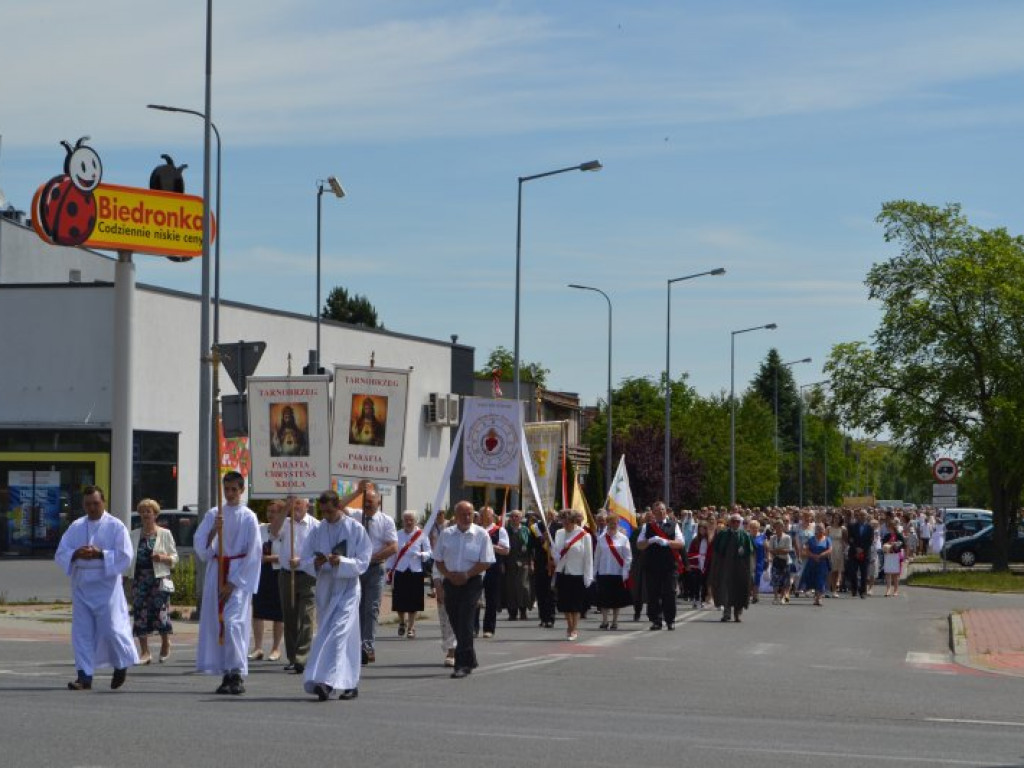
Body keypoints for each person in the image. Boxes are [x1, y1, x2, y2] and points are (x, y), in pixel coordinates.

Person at [55, 485, 138, 691]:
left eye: (96, 503)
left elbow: (126, 556)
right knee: (81, 632)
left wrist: (101, 554)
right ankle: (84, 676)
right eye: (88, 504)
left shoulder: (116, 526)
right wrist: (76, 554)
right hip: (82, 583)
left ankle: (121, 664)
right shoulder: (76, 526)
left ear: (104, 502)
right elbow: (61, 552)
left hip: (106, 584)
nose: (92, 508)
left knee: (112, 629)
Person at [194, 471, 261, 695]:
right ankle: (226, 673)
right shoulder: (214, 514)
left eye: (234, 489)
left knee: (233, 624)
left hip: (238, 574)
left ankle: (238, 672)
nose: (230, 493)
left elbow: (254, 553)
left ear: (242, 490)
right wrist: (215, 529)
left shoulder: (249, 516)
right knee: (218, 624)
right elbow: (201, 549)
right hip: (217, 570)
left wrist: (234, 583)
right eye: (227, 489)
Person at [302, 490, 372, 701]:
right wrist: (315, 563)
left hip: (348, 588)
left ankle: (326, 682)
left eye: (330, 511)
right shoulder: (317, 530)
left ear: (338, 507)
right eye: (322, 512)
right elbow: (305, 557)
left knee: (339, 633)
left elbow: (363, 561)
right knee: (337, 635)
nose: (326, 516)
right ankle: (349, 682)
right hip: (326, 588)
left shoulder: (354, 528)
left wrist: (342, 562)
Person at [434, 500, 496, 678]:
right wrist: (448, 574)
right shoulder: (446, 534)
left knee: (466, 621)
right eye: (463, 514)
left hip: (472, 582)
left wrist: (467, 575)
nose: (467, 517)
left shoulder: (481, 535)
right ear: (456, 516)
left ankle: (462, 665)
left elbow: (486, 561)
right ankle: (470, 658)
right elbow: (438, 559)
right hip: (450, 580)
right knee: (454, 620)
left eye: (470, 514)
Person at [342, 481, 397, 665]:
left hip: (375, 568)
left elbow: (393, 547)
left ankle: (368, 646)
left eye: (371, 502)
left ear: (378, 503)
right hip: (357, 569)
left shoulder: (386, 520)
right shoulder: (356, 516)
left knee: (371, 607)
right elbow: (338, 506)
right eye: (365, 502)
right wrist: (357, 491)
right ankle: (356, 644)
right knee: (357, 607)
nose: (367, 505)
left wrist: (371, 557)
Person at [126, 498, 178, 664]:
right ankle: (145, 652)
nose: (145, 514)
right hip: (139, 579)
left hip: (159, 578)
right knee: (140, 613)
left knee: (160, 613)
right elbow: (127, 557)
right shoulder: (133, 534)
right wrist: (123, 577)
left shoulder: (165, 534)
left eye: (149, 511)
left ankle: (165, 643)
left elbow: (175, 558)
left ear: (155, 514)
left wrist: (162, 557)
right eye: (142, 511)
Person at [277, 496, 319, 673]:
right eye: (292, 503)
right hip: (287, 575)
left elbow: (320, 553)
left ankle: (302, 657)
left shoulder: (316, 526)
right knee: (290, 616)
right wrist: (285, 508)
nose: (295, 506)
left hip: (308, 574)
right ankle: (293, 657)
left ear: (307, 504)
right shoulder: (285, 523)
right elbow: (273, 531)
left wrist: (301, 561)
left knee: (306, 616)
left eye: (298, 503)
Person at [637, 501, 684, 630]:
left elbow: (680, 543)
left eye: (663, 510)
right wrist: (650, 541)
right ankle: (656, 620)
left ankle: (670, 620)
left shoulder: (674, 525)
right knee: (653, 594)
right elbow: (639, 545)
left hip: (669, 566)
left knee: (669, 593)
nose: (661, 512)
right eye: (657, 511)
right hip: (652, 566)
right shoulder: (647, 527)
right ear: (653, 512)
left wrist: (667, 542)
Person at [250, 499, 285, 662]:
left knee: (278, 613)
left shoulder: (286, 531)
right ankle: (258, 647)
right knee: (258, 611)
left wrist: (269, 558)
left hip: (278, 573)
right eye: (269, 511)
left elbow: (288, 554)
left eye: (274, 511)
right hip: (261, 573)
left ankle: (276, 648)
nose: (271, 514)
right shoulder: (260, 529)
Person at [388, 510, 431, 639]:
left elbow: (429, 552)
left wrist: (420, 555)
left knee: (414, 600)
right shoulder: (397, 534)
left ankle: (411, 627)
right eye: (406, 519)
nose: (408, 522)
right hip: (400, 570)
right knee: (399, 600)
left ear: (415, 521)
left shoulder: (421, 534)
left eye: (411, 519)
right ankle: (402, 622)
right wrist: (389, 569)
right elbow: (393, 552)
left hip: (415, 570)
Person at [553, 509, 594, 641]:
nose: (564, 524)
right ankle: (569, 625)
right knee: (564, 602)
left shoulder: (584, 535)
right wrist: (556, 554)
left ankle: (574, 628)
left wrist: (588, 576)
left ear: (574, 521)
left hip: (577, 572)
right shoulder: (559, 533)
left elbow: (588, 558)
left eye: (567, 522)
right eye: (562, 521)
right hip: (562, 571)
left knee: (575, 603)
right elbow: (555, 553)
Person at [710, 513, 754, 623]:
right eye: (733, 521)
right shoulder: (723, 534)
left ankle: (737, 614)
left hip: (740, 567)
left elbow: (750, 553)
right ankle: (726, 613)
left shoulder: (745, 535)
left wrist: (749, 569)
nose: (735, 523)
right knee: (726, 589)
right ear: (730, 522)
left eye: (738, 522)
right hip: (726, 567)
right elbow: (717, 551)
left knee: (739, 589)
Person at [474, 506, 509, 638]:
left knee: (491, 599)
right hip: (476, 567)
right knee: (475, 598)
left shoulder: (500, 531)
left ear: (492, 516)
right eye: (482, 514)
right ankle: (473, 627)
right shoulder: (475, 530)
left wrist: (491, 546)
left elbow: (506, 550)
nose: (484, 517)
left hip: (493, 568)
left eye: (487, 515)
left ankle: (489, 628)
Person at [594, 514, 632, 629]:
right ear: (607, 524)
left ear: (617, 524)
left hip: (618, 572)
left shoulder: (623, 538)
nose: (612, 525)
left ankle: (615, 621)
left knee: (616, 599)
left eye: (615, 523)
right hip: (604, 572)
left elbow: (628, 557)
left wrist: (625, 571)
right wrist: (594, 571)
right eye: (610, 523)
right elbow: (597, 557)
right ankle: (605, 621)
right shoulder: (601, 539)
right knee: (604, 598)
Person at [429, 517, 458, 667]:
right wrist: (437, 585)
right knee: (446, 620)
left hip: (466, 584)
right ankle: (451, 650)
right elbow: (436, 565)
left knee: (462, 620)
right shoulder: (443, 541)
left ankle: (460, 649)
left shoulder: (475, 537)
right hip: (445, 583)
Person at [503, 509, 532, 621]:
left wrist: (531, 562)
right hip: (509, 562)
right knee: (510, 588)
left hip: (523, 562)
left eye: (516, 516)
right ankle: (512, 612)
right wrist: (502, 563)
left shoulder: (525, 530)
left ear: (520, 518)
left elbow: (530, 548)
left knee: (522, 586)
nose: (514, 518)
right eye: (512, 516)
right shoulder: (505, 530)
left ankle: (523, 611)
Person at [529, 512, 556, 629]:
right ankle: (543, 617)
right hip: (539, 562)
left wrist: (550, 537)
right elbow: (530, 545)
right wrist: (541, 539)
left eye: (550, 513)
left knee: (550, 592)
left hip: (552, 562)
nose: (548, 515)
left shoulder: (557, 526)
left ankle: (550, 617)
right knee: (540, 591)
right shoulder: (536, 527)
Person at [803, 523, 832, 607]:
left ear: (824, 530)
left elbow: (830, 549)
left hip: (823, 562)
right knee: (814, 579)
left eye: (821, 529)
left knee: (821, 579)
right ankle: (816, 597)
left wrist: (821, 555)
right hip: (812, 562)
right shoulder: (811, 539)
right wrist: (813, 556)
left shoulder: (827, 539)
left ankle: (819, 598)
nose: (819, 530)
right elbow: (806, 550)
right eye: (818, 528)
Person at [846, 509, 874, 599]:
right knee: (853, 572)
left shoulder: (870, 528)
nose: (862, 517)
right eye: (860, 515)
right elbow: (850, 539)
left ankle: (863, 592)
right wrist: (856, 548)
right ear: (858, 516)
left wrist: (862, 549)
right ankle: (854, 590)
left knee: (864, 573)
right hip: (854, 552)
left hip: (865, 553)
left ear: (866, 516)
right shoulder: (852, 526)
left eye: (864, 515)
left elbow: (870, 541)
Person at [686, 521, 713, 609]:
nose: (702, 530)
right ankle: (696, 599)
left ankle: (702, 599)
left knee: (704, 583)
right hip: (697, 564)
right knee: (696, 583)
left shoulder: (709, 540)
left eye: (704, 529)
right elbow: (690, 552)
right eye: (700, 529)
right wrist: (692, 562)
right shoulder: (695, 540)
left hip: (706, 564)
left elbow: (711, 552)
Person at [768, 523, 793, 605]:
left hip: (785, 561)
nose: (778, 529)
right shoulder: (772, 538)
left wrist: (778, 550)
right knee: (775, 580)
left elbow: (788, 549)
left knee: (784, 580)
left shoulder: (787, 537)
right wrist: (779, 550)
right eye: (777, 527)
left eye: (780, 527)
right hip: (776, 560)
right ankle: (775, 597)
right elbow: (770, 549)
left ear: (782, 528)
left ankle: (782, 597)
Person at [881, 525, 906, 597]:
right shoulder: (887, 535)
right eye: (889, 528)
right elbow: (883, 544)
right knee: (888, 573)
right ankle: (888, 589)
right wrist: (888, 544)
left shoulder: (899, 535)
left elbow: (903, 544)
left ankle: (896, 590)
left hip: (896, 555)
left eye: (891, 528)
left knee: (895, 574)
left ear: (894, 528)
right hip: (888, 556)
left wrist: (895, 545)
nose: (889, 529)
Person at [748, 519, 766, 605]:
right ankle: (748, 594)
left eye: (755, 527)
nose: (754, 529)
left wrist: (768, 558)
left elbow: (766, 548)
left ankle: (755, 595)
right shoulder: (747, 536)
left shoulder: (763, 536)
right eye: (752, 527)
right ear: (749, 528)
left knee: (757, 577)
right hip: (749, 559)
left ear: (758, 528)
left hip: (760, 559)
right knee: (750, 577)